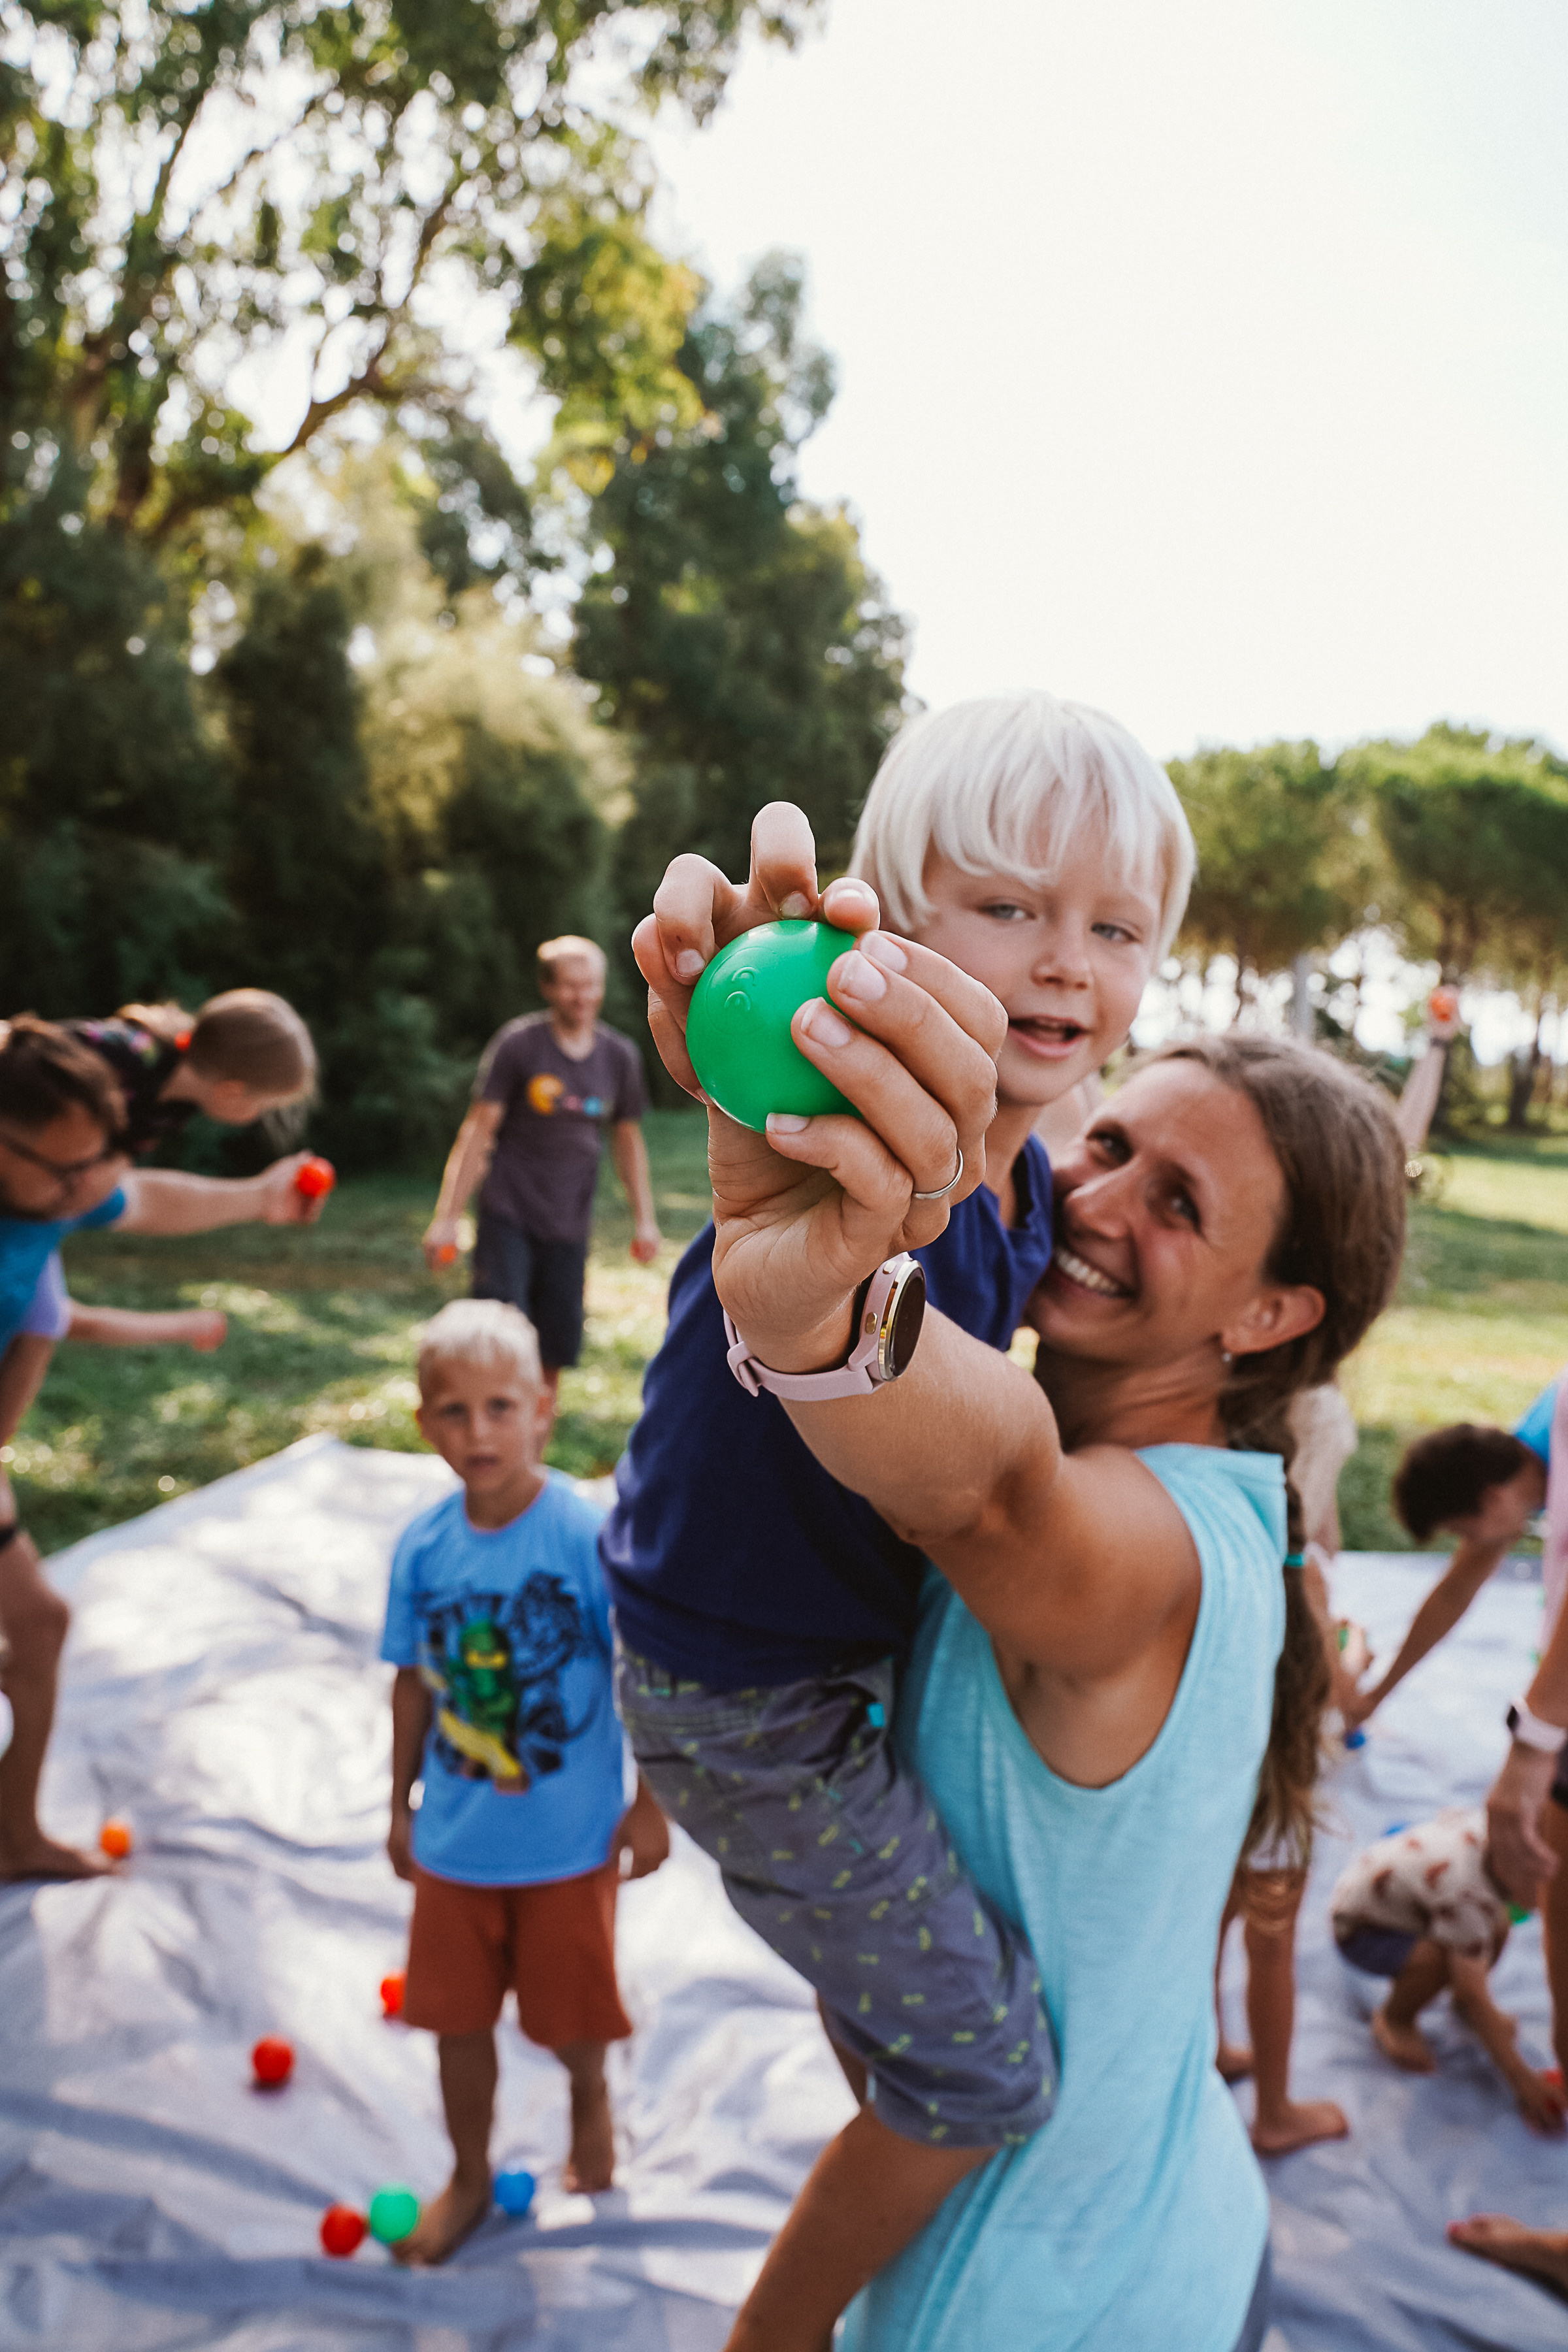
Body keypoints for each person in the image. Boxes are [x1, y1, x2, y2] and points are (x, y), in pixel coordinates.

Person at [634, 884, 1407, 2352]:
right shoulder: (1235, 1502)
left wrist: (816, 1312)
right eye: (1110, 1145)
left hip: (1042, 2312)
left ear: (1269, 1318)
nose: (1100, 1205)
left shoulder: (1157, 1549)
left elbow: (994, 1493)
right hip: (1185, 2241)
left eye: (1181, 1207)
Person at [610, 698, 1196, 2333]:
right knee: (982, 2067)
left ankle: (884, 2090)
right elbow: (779, 1308)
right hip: (743, 1697)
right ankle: (774, 2330)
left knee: (910, 2010)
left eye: (1114, 927)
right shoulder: (836, 1155)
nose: (1065, 962)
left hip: (830, 1656)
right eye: (1006, 907)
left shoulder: (1023, 1176)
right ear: (882, 918)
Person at [0, 1016, 327, 1880]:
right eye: (73, 1168)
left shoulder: (56, 1190)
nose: (97, 1186)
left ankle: (14, 1837)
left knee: (38, 1625)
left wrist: (259, 1197)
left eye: (105, 1152)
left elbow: (143, 1199)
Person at [381, 1300, 669, 2264]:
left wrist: (650, 1802)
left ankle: (590, 2099)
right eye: (454, 1413)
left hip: (569, 1844)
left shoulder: (587, 1538)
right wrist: (398, 1808)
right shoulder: (424, 1549)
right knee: (454, 2022)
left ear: (545, 1407)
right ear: (424, 1425)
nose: (479, 1433)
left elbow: (644, 1674)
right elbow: (413, 1683)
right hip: (458, 1846)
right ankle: (469, 2175)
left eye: (500, 1407)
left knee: (572, 2015)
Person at [1213, 1378, 1362, 2155]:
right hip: (1281, 1707)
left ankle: (1207, 2050)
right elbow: (1312, 1568)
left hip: (1229, 1704)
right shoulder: (1317, 1412)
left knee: (1216, 1904)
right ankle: (1275, 2110)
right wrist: (1344, 1678)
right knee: (1272, 1924)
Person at [422, 938, 662, 1407]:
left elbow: (628, 1141)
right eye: (571, 986)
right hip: (508, 1211)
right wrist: (447, 1216)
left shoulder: (619, 1056)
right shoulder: (519, 1045)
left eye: (591, 985)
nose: (583, 996)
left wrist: (645, 1219)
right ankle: (491, 1440)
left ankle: (533, 1446)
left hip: (569, 1221)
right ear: (548, 988)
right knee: (497, 1338)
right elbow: (477, 1132)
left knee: (554, 1346)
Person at [1331, 1810, 1563, 2132]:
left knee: (1493, 1928)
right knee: (1441, 1958)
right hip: (1362, 1930)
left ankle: (1451, 1994)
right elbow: (1474, 1997)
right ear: (1515, 1868)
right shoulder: (1469, 1895)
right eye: (1545, 1890)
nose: (1546, 1903)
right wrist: (1523, 2081)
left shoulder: (1495, 1839)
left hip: (1394, 1896)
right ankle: (1395, 2019)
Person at [1344, 1394, 1563, 1733]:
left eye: (1465, 1531)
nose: (1471, 1543)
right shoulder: (1516, 1463)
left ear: (1493, 1497)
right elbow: (1454, 1592)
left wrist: (1538, 1735)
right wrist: (1376, 1697)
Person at [65, 987, 318, 1157]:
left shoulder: (174, 1110)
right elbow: (32, 1051)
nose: (256, 1117)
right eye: (262, 1106)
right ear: (231, 1091)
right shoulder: (123, 1053)